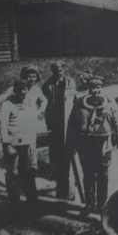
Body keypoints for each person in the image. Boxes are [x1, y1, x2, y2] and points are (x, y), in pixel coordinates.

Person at [66, 76, 118, 215]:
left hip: (103, 144)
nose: (95, 90)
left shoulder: (109, 102)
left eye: (98, 87)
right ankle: (89, 205)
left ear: (101, 87)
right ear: (88, 88)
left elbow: (117, 121)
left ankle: (101, 206)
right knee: (88, 174)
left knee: (102, 175)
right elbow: (72, 123)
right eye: (92, 87)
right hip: (85, 144)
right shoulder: (80, 102)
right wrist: (71, 142)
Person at [0, 80, 42, 213]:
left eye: (25, 90)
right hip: (14, 145)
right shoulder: (7, 105)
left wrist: (33, 143)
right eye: (19, 90)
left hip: (28, 145)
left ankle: (33, 206)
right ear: (14, 91)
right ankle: (15, 207)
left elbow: (33, 121)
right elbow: (3, 127)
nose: (22, 93)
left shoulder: (30, 104)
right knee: (13, 176)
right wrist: (7, 145)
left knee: (30, 174)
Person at [41, 61, 76, 199]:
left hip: (67, 119)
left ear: (64, 69)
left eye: (60, 69)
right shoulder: (47, 85)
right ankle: (56, 174)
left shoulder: (70, 82)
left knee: (68, 150)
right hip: (54, 120)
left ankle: (69, 185)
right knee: (55, 150)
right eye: (56, 70)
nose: (58, 72)